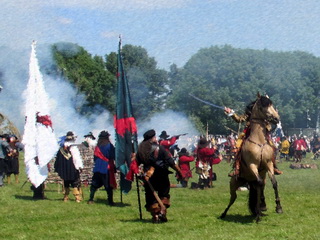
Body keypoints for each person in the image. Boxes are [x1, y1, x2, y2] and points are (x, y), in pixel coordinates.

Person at [224, 100, 283, 176]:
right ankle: (237, 169)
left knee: (272, 147)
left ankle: (274, 167)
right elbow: (239, 119)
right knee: (237, 148)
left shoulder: (265, 113)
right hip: (249, 133)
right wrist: (231, 113)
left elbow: (274, 122)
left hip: (263, 134)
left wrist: (275, 115)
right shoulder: (249, 113)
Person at [136, 129, 182, 223]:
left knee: (150, 197)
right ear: (153, 138)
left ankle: (155, 216)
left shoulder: (141, 150)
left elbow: (136, 163)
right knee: (164, 195)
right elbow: (170, 162)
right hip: (161, 175)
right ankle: (161, 213)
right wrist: (179, 172)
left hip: (149, 177)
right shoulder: (159, 148)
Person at [87, 130, 116, 206]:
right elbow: (113, 156)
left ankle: (90, 199)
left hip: (97, 168)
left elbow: (95, 158)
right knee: (108, 186)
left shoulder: (97, 147)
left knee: (94, 185)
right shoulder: (109, 146)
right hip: (106, 168)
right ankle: (110, 202)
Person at [54, 131, 84, 202]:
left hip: (64, 169)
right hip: (72, 168)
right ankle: (77, 198)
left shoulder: (61, 148)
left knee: (66, 182)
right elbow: (76, 158)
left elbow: (58, 159)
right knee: (75, 182)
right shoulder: (73, 147)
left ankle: (66, 197)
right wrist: (80, 167)